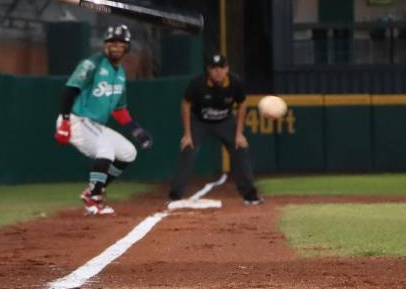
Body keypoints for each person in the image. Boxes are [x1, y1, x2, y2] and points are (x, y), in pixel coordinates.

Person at [53, 24, 153, 216]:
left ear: (127, 47)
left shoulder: (121, 73)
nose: (115, 47)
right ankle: (93, 200)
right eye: (111, 43)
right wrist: (65, 121)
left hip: (94, 124)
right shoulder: (92, 64)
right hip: (76, 120)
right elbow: (69, 90)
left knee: (128, 152)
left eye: (120, 43)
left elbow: (119, 110)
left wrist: (136, 131)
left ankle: (93, 189)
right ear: (105, 45)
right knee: (105, 150)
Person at [168, 54, 261, 205]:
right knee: (187, 149)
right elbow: (185, 105)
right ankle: (175, 196)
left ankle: (250, 196)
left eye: (222, 68)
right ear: (208, 70)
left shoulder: (235, 82)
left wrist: (239, 134)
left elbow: (242, 104)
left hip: (225, 122)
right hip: (200, 122)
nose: (218, 72)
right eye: (214, 68)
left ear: (227, 69)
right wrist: (187, 134)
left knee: (240, 148)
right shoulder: (198, 83)